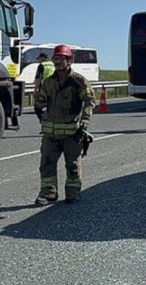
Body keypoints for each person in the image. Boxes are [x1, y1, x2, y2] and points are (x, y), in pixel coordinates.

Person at [33, 44, 96, 205]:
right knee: (47, 164)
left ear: (69, 60)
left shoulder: (78, 81)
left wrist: (85, 120)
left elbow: (89, 101)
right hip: (50, 133)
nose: (58, 62)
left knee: (73, 165)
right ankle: (48, 193)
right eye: (56, 58)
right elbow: (42, 101)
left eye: (62, 58)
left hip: (72, 132)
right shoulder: (49, 82)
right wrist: (39, 100)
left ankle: (73, 193)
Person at [33, 53, 54, 122]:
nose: (38, 60)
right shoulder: (53, 64)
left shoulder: (42, 66)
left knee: (37, 106)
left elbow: (38, 79)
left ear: (42, 58)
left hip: (45, 88)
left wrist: (36, 91)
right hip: (55, 88)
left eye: (38, 58)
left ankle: (43, 120)